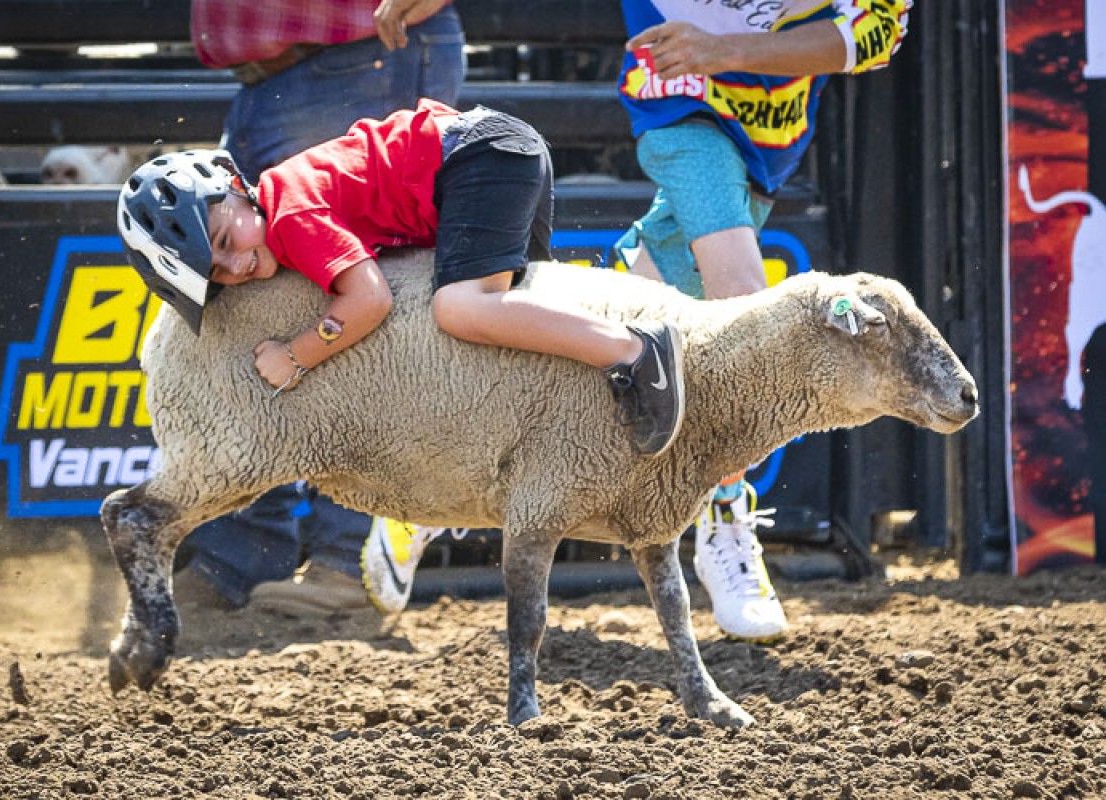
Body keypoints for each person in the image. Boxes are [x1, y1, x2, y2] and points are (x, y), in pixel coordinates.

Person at [117, 102, 689, 613]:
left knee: (461, 309)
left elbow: (369, 300)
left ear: (236, 188)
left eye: (224, 241)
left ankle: (635, 350)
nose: (235, 266)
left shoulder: (290, 216)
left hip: (479, 158)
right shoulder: (282, 205)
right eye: (215, 273)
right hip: (490, 147)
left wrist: (295, 355)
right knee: (511, 338)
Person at [613, 0, 912, 640]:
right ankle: (725, 516)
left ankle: (451, 484)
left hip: (771, 128)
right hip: (680, 103)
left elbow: (879, 31)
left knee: (635, 305)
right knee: (745, 298)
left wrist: (725, 50)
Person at [175, 0, 467, 616]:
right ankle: (252, 550)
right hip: (293, 72)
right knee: (256, 297)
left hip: (356, 57)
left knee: (361, 308)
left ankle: (351, 557)